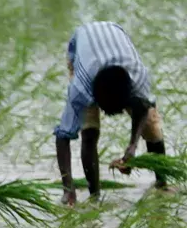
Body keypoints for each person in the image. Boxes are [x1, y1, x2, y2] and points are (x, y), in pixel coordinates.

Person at [55, 21, 167, 205]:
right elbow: (62, 137)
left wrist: (132, 145)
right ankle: (95, 196)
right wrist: (68, 187)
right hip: (82, 46)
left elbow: (143, 106)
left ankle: (162, 184)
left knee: (152, 127)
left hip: (115, 36)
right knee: (89, 133)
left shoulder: (138, 77)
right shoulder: (81, 89)